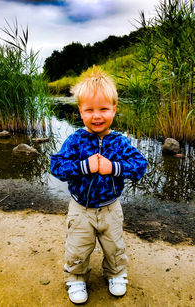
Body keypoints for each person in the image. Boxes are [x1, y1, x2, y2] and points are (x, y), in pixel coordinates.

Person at [50, 66, 148, 304]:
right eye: (90, 110)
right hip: (80, 209)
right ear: (80, 112)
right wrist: (85, 166)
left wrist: (112, 168)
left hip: (111, 209)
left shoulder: (120, 142)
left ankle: (115, 273)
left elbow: (140, 166)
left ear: (114, 109)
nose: (97, 116)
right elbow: (56, 167)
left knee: (114, 246)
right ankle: (76, 277)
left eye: (103, 109)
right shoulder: (75, 141)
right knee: (77, 247)